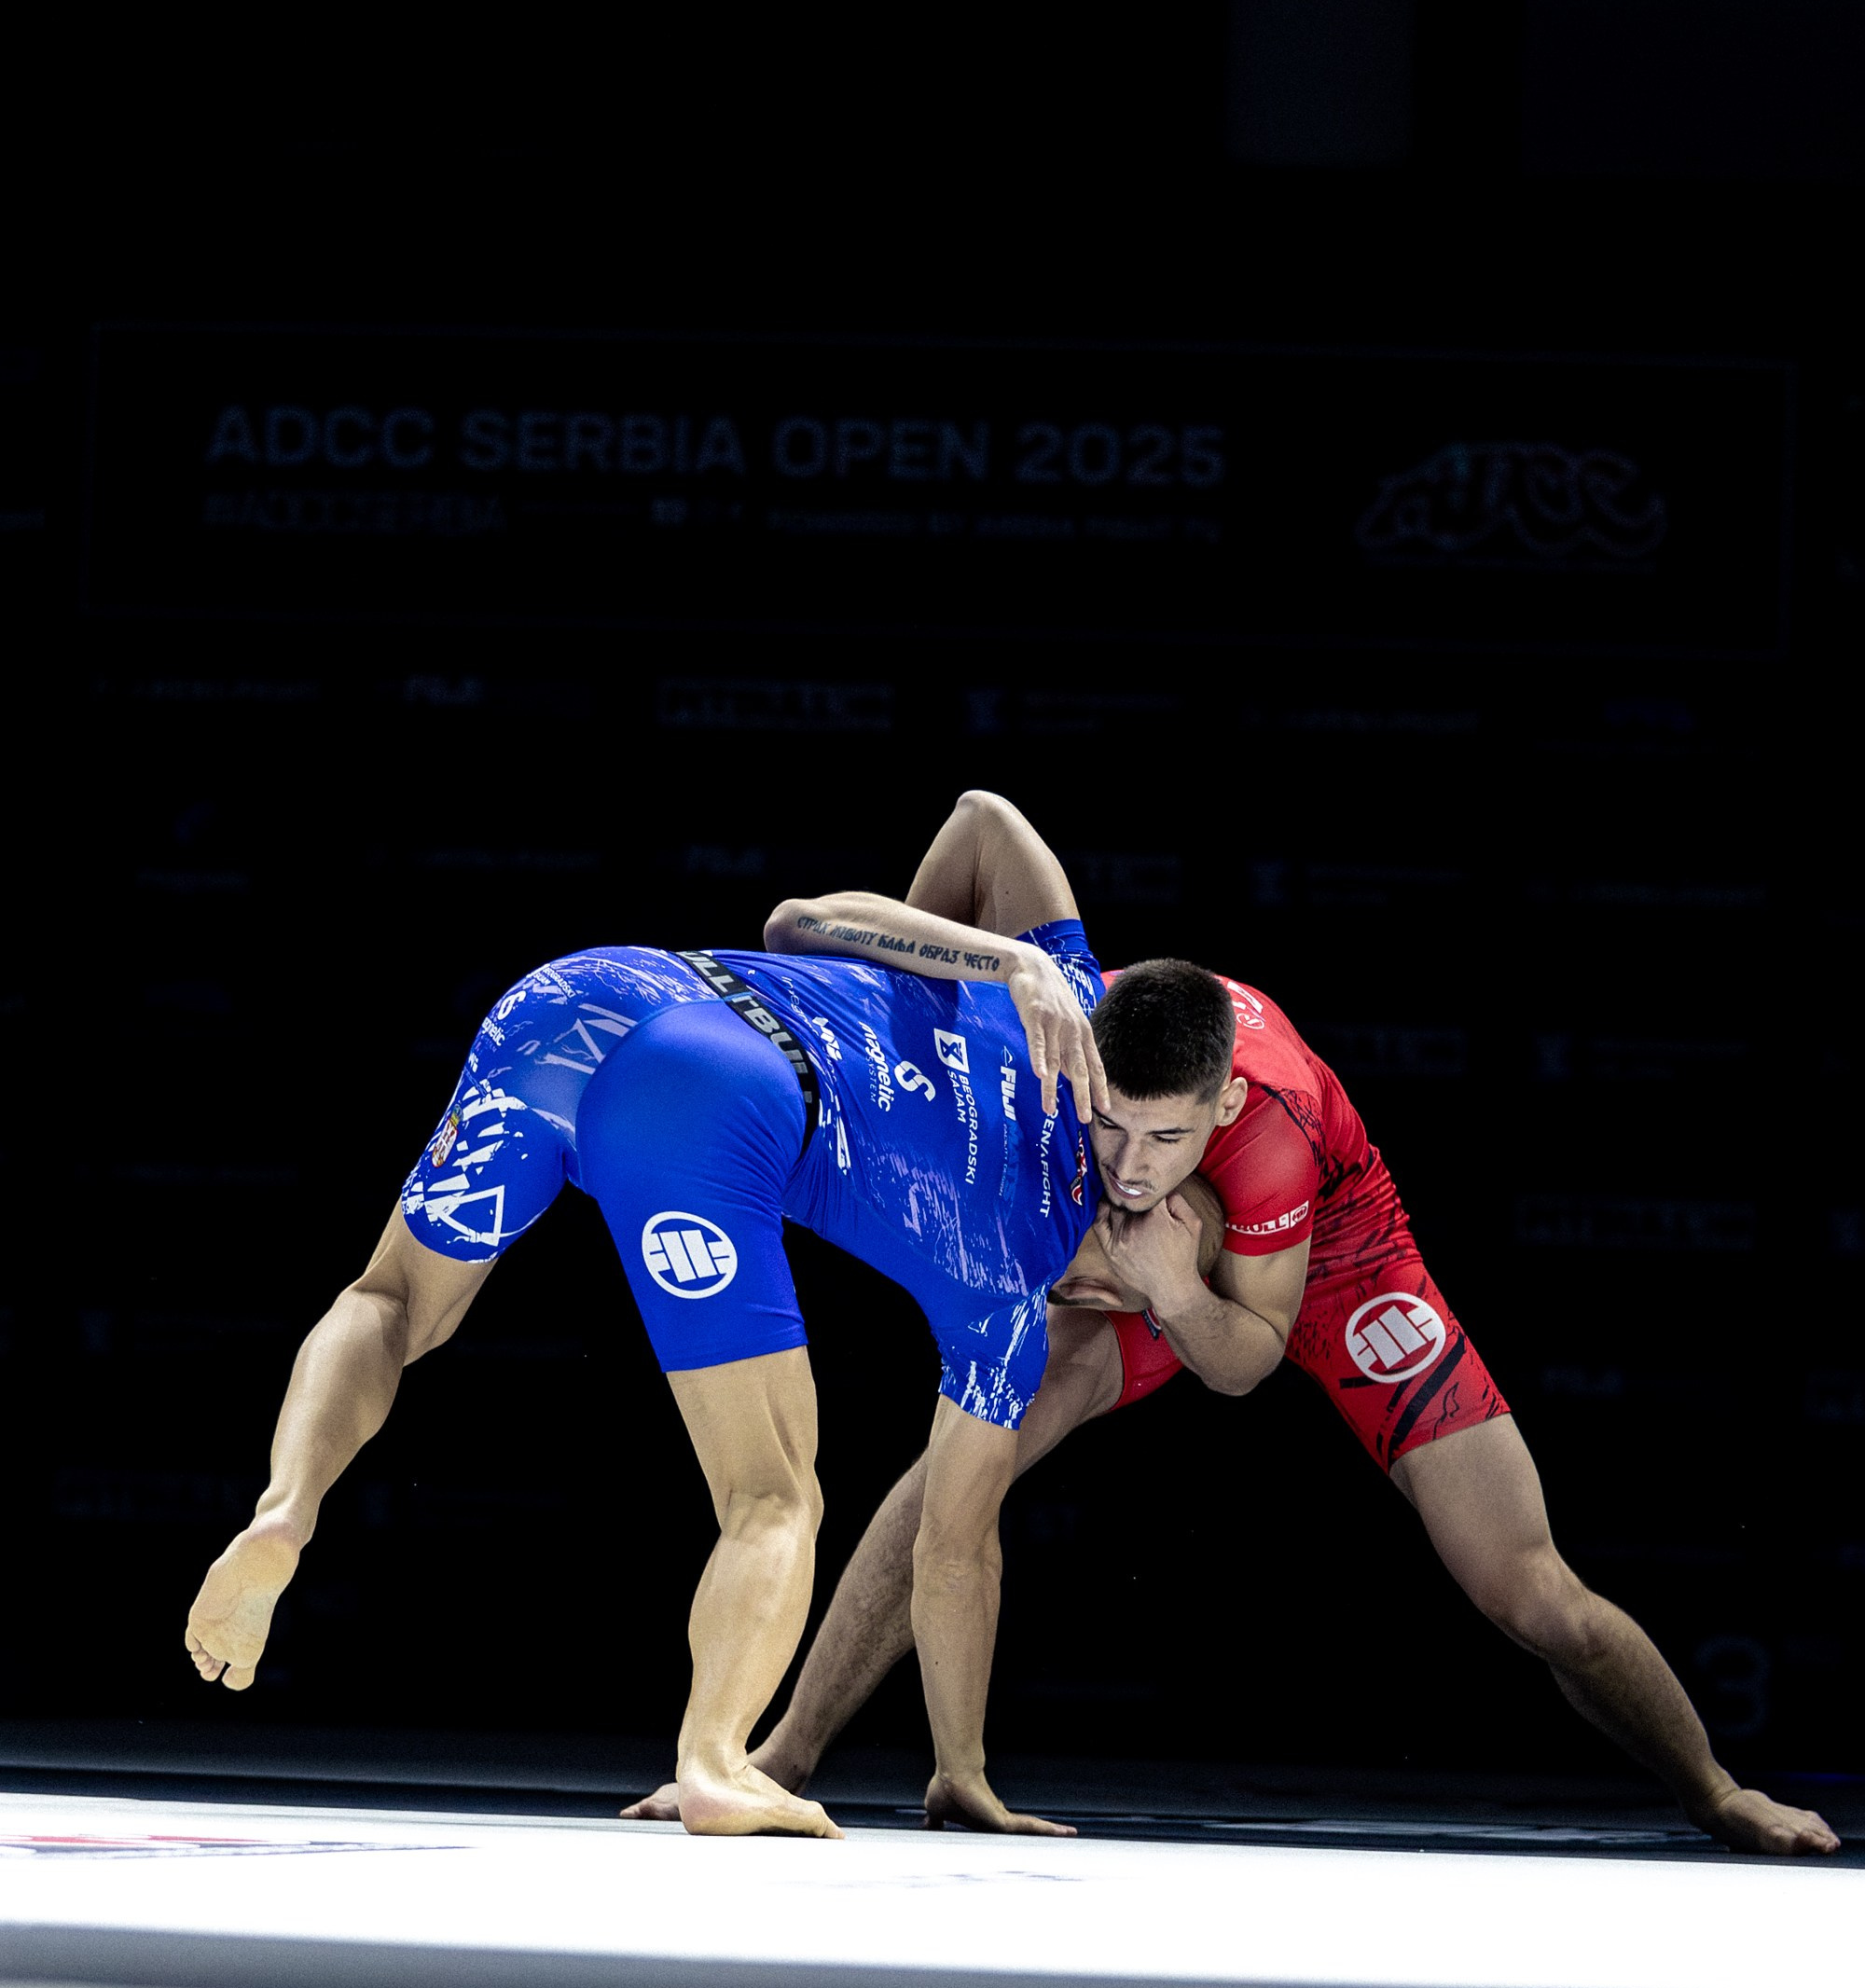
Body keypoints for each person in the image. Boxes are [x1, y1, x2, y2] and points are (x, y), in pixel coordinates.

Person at [736, 954, 1839, 1858]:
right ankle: (784, 1755)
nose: (1129, 1160)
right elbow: (972, 838)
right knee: (958, 1470)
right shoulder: (1061, 1042)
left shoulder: (1266, 1133)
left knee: (1528, 1591)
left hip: (1330, 1267)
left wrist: (1171, 1286)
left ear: (1214, 1105)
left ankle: (1710, 1786)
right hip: (1146, 1256)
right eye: (1109, 1126)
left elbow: (1244, 1361)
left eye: (1163, 1137)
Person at [183, 792, 1112, 1838]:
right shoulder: (1010, 1288)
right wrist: (961, 1767)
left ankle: (285, 1508)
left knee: (387, 1299)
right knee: (773, 1499)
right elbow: (948, 1551)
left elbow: (943, 838)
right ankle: (713, 1756)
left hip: (589, 991)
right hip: (707, 1096)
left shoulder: (1065, 989)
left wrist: (980, 969)